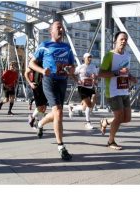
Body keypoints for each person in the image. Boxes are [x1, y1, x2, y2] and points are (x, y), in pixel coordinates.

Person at [29, 20, 75, 161]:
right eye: (58, 27)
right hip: (49, 81)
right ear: (51, 31)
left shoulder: (67, 48)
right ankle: (61, 147)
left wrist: (71, 71)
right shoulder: (44, 46)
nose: (61, 29)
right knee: (59, 112)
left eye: (62, 27)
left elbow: (72, 66)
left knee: (57, 112)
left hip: (62, 81)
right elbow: (31, 63)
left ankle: (41, 123)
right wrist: (43, 70)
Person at [98, 31, 137, 150]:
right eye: (121, 39)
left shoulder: (127, 56)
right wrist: (117, 73)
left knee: (127, 118)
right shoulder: (109, 55)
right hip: (113, 91)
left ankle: (105, 122)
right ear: (115, 41)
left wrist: (130, 77)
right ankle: (111, 141)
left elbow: (126, 72)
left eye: (125, 39)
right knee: (119, 117)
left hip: (124, 90)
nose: (124, 41)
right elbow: (101, 74)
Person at [68, 52, 98, 130]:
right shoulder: (80, 67)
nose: (90, 59)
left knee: (88, 104)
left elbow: (96, 77)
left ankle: (72, 108)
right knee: (88, 105)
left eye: (90, 57)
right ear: (84, 59)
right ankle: (88, 122)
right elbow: (72, 73)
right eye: (88, 57)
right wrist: (77, 81)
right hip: (82, 88)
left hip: (91, 87)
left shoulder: (93, 67)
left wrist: (95, 79)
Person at [24, 64, 47, 135]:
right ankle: (37, 123)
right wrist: (30, 83)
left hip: (46, 87)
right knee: (40, 107)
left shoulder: (48, 61)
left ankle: (37, 122)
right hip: (37, 86)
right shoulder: (36, 62)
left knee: (44, 108)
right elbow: (26, 73)